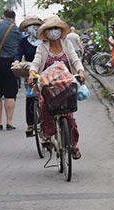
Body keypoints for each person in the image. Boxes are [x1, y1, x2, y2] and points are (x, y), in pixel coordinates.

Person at [28, 17, 86, 159]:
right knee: (44, 108)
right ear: (46, 32)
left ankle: (73, 145)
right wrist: (32, 73)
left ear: (61, 31)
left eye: (56, 29)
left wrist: (80, 71)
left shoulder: (67, 44)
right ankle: (47, 137)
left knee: (69, 116)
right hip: (48, 85)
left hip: (65, 84)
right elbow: (36, 62)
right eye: (50, 29)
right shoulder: (42, 47)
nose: (54, 32)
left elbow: (74, 59)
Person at [16, 16, 43, 137]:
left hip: (45, 70)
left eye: (37, 26)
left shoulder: (45, 41)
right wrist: (16, 61)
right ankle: (31, 123)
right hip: (30, 70)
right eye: (32, 27)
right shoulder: (23, 42)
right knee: (31, 95)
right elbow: (18, 54)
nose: (34, 29)